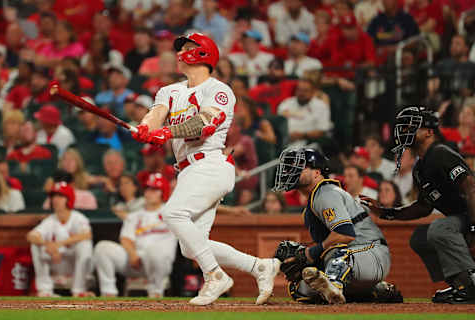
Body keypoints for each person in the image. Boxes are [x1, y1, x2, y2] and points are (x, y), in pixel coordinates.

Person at [131, 32, 281, 306]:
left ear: (202, 54)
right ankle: (260, 266)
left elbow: (203, 124)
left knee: (173, 213)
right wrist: (144, 128)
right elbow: (155, 115)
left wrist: (165, 132)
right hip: (188, 170)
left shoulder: (219, 90)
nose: (180, 53)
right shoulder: (169, 91)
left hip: (211, 163)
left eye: (187, 48)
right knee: (190, 247)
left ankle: (214, 274)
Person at [362, 106, 475, 304]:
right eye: (404, 127)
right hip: (463, 217)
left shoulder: (441, 153)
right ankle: (461, 283)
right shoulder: (420, 167)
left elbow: (471, 188)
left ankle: (469, 287)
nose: (405, 131)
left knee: (440, 228)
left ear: (430, 132)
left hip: (471, 215)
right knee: (420, 238)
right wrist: (386, 212)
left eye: (412, 127)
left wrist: (474, 228)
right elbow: (424, 207)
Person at [272, 148, 400, 304]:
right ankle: (373, 291)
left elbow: (345, 234)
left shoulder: (326, 193)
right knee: (300, 290)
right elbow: (327, 246)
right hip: (352, 259)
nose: (291, 170)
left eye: (300, 166)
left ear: (316, 173)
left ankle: (334, 287)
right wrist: (305, 258)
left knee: (338, 257)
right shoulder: (312, 206)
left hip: (371, 251)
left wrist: (310, 253)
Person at [94, 173, 177, 297]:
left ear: (163, 192)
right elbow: (126, 238)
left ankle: (156, 291)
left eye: (154, 189)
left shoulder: (172, 213)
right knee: (102, 248)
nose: (149, 193)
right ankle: (108, 292)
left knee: (155, 252)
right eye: (148, 189)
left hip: (158, 264)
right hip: (135, 260)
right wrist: (132, 253)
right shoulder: (135, 215)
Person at [27, 182, 94, 297]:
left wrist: (58, 244)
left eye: (60, 196)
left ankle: (79, 290)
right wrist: (48, 244)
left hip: (74, 264)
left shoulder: (78, 218)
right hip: (58, 263)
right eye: (54, 196)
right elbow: (31, 236)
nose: (55, 200)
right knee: (35, 245)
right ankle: (45, 290)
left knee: (85, 245)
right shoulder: (50, 220)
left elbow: (87, 235)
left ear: (69, 199)